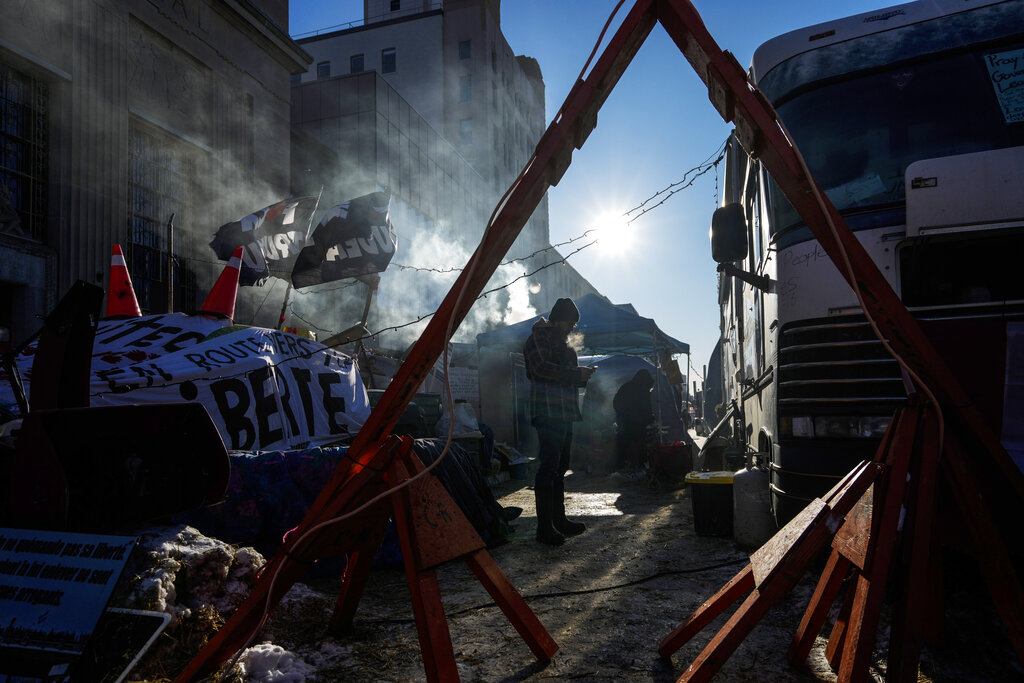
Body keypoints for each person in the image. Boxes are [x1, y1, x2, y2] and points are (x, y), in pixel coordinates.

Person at [523, 297, 595, 546]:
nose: (571, 329)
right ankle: (544, 528)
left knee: (561, 466)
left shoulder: (563, 344)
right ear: (558, 319)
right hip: (547, 410)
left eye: (574, 324)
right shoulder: (538, 338)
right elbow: (541, 368)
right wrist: (576, 374)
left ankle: (558, 521)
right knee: (549, 466)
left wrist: (583, 376)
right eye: (569, 323)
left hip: (565, 412)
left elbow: (565, 376)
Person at [613, 369, 655, 470]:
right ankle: (641, 467)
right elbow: (646, 408)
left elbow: (616, 403)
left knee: (623, 446)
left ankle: (620, 468)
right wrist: (650, 419)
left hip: (624, 422)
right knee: (641, 446)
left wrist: (621, 416)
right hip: (636, 423)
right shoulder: (642, 390)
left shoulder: (627, 386)